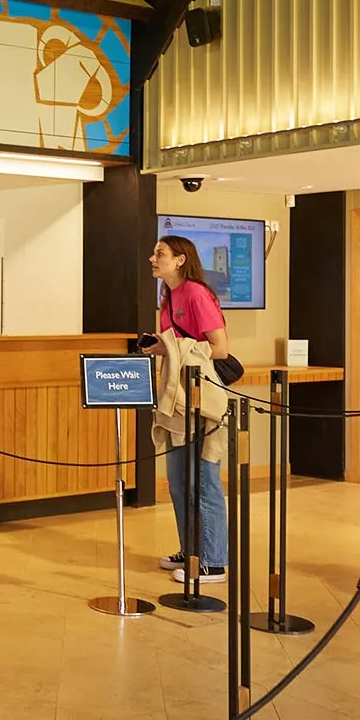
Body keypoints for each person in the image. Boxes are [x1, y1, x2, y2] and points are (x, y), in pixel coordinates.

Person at [146, 235, 232, 583]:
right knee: (179, 481)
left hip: (200, 399)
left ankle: (213, 560)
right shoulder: (168, 297)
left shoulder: (195, 293)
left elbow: (220, 347)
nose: (153, 258)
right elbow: (177, 344)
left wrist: (173, 350)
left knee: (203, 480)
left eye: (160, 253)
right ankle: (191, 549)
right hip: (178, 400)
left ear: (180, 260)